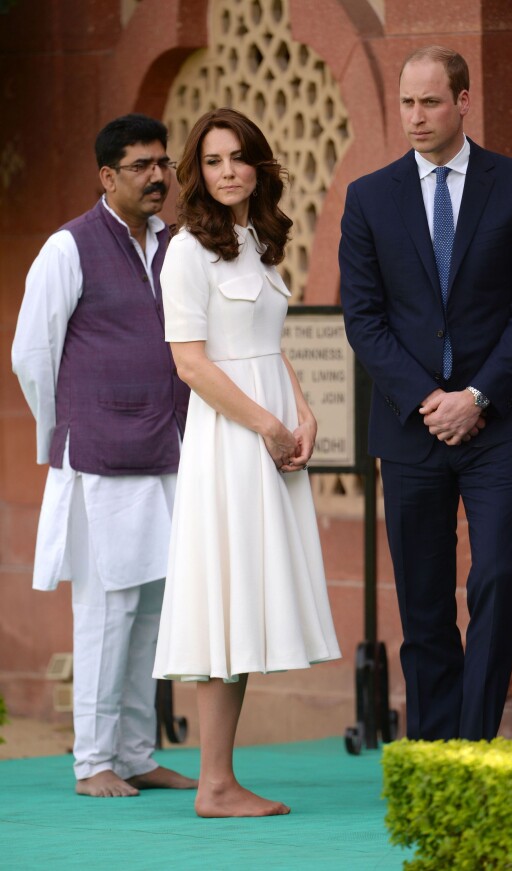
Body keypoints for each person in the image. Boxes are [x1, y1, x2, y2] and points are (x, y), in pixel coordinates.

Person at [339, 46, 512, 741]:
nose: (416, 116)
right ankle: (435, 747)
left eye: (430, 102)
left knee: (495, 576)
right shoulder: (369, 196)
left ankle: (476, 743)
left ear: (463, 101)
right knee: (424, 599)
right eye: (407, 102)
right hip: (411, 427)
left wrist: (478, 396)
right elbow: (363, 318)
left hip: (499, 425)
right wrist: (430, 400)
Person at [152, 107, 341, 817]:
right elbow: (192, 364)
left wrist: (303, 411)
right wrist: (266, 424)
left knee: (244, 598)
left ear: (258, 165)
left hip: (269, 436)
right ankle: (214, 784)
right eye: (212, 160)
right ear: (196, 173)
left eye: (237, 157)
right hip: (230, 441)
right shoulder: (186, 252)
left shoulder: (257, 240)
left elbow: (268, 344)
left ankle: (220, 780)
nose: (227, 171)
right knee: (222, 599)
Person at [12, 114, 197, 797]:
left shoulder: (177, 245)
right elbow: (32, 354)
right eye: (141, 166)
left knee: (153, 611)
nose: (157, 176)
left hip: (170, 452)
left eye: (162, 163)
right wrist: (66, 432)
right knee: (106, 611)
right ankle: (93, 760)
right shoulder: (69, 247)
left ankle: (136, 753)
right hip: (100, 462)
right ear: (107, 176)